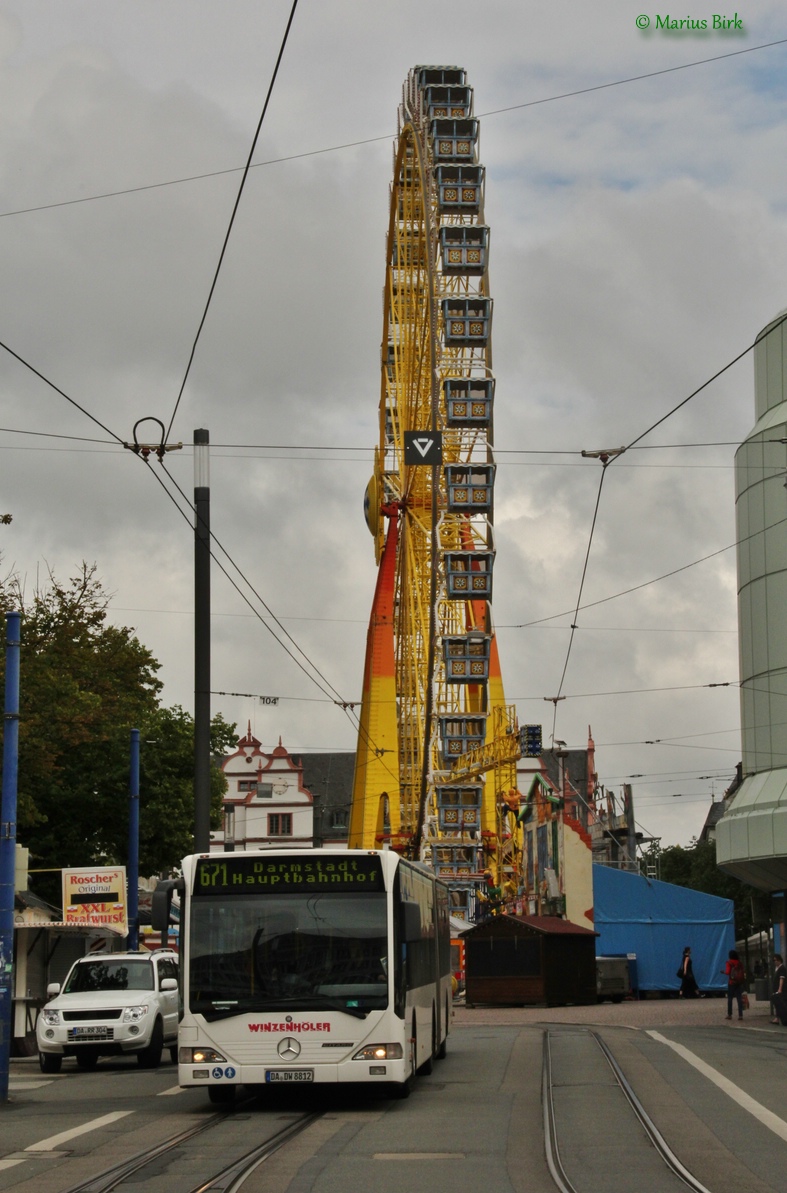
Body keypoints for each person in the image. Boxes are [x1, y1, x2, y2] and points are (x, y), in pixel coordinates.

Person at [723, 949, 745, 1020]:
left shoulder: (729, 963)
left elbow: (727, 972)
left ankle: (729, 1014)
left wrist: (723, 972)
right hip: (739, 982)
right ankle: (740, 1015)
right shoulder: (740, 963)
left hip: (731, 982)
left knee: (730, 998)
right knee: (739, 998)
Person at [771, 954, 787, 1026]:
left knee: (781, 1003)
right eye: (773, 960)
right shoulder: (777, 968)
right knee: (777, 1003)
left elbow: (782, 978)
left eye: (775, 960)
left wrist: (780, 989)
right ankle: (777, 1018)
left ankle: (780, 1018)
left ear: (779, 960)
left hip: (781, 990)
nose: (774, 962)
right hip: (776, 989)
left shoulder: (782, 968)